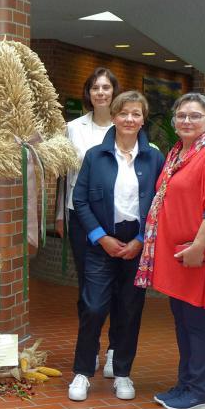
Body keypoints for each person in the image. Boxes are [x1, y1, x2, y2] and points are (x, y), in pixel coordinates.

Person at [137, 93, 205, 409]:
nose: (186, 121)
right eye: (181, 116)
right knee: (182, 321)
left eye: (195, 116)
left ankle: (199, 393)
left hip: (196, 256)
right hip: (178, 256)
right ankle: (186, 383)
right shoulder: (178, 152)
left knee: (196, 322)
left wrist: (198, 247)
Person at [68, 91, 165, 402]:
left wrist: (140, 241)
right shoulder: (95, 156)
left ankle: (122, 373)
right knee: (94, 307)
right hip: (102, 243)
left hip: (137, 246)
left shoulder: (154, 157)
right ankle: (82, 372)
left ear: (142, 118)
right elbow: (80, 200)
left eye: (136, 114)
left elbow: (161, 204)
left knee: (129, 310)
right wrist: (101, 237)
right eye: (123, 113)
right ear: (114, 116)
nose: (129, 119)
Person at [56, 67, 122, 377]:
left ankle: (114, 350)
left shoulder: (124, 125)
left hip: (116, 216)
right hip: (79, 214)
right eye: (95, 87)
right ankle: (90, 346)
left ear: (114, 91)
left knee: (118, 287)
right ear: (88, 92)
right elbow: (65, 175)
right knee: (88, 288)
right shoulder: (72, 128)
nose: (101, 92)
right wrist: (59, 214)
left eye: (106, 87)